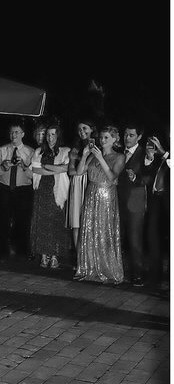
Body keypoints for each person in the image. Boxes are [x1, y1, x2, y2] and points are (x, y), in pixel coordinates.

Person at [74, 126, 125, 284]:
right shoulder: (93, 155)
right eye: (101, 137)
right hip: (91, 193)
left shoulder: (119, 156)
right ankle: (89, 267)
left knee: (104, 230)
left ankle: (107, 269)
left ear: (114, 139)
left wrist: (101, 158)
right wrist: (84, 156)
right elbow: (79, 172)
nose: (102, 141)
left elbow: (112, 177)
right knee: (90, 229)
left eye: (106, 138)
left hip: (106, 194)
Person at [0, 122, 34, 260]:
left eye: (16, 132)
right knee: (2, 220)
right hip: (4, 188)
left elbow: (34, 175)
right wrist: (3, 167)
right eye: (11, 132)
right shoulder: (2, 150)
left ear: (23, 134)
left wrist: (24, 166)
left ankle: (23, 251)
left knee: (23, 221)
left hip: (23, 189)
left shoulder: (31, 152)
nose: (13, 135)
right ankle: (3, 251)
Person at [29, 124, 71, 269]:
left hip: (58, 190)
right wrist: (55, 169)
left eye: (53, 134)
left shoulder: (65, 151)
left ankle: (54, 255)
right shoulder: (40, 151)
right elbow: (35, 169)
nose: (50, 137)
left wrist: (45, 167)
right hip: (42, 189)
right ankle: (43, 255)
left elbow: (67, 168)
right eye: (48, 134)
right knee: (42, 222)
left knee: (55, 222)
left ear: (58, 135)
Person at [117, 124, 147, 286]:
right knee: (118, 236)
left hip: (135, 201)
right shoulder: (119, 152)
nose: (127, 138)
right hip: (118, 199)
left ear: (139, 136)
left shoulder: (143, 154)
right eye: (125, 134)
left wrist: (136, 179)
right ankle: (117, 271)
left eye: (131, 135)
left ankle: (137, 273)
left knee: (135, 239)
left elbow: (149, 177)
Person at [143, 135, 169, 289]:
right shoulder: (161, 157)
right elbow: (147, 173)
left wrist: (163, 152)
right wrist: (150, 156)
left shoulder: (167, 155)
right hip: (155, 200)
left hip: (169, 201)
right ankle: (155, 276)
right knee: (153, 237)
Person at [67, 120, 96, 256]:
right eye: (79, 129)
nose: (82, 131)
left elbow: (81, 170)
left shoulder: (96, 148)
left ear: (92, 129)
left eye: (85, 128)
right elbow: (72, 171)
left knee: (88, 221)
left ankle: (89, 257)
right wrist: (79, 161)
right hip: (76, 184)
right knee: (76, 222)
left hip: (89, 183)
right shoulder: (76, 148)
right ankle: (79, 257)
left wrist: (81, 160)